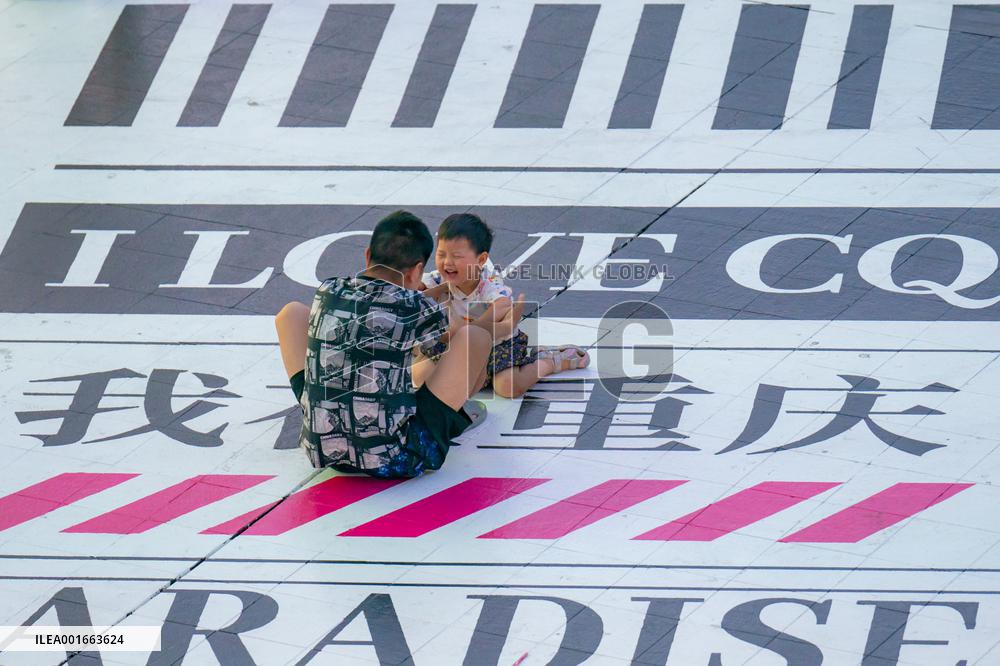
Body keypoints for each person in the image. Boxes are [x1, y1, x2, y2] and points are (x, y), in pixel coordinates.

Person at [274, 210, 523, 478]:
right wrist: (506, 325)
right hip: (396, 459)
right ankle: (456, 416)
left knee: (291, 314)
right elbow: (461, 338)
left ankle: (323, 418)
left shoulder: (329, 289)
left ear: (368, 255)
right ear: (418, 270)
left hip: (323, 450)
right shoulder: (416, 307)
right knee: (474, 339)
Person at [414, 213, 589, 399]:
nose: (447, 262)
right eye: (441, 254)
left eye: (456, 256)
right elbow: (417, 288)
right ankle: (429, 355)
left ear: (481, 260)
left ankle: (548, 361)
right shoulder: (438, 279)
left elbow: (503, 305)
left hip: (497, 346)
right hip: (456, 345)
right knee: (419, 376)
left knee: (508, 387)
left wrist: (471, 331)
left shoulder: (489, 283)